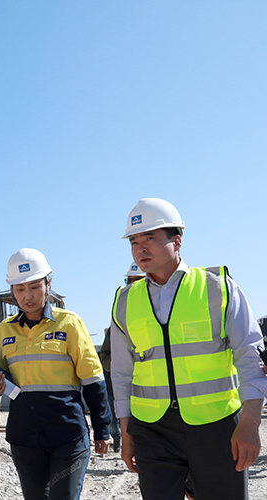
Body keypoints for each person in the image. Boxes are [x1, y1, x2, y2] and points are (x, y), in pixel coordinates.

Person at [109, 198, 267, 500]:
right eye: (134, 241)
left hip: (217, 426)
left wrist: (250, 422)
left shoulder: (218, 288)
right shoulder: (125, 302)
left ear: (177, 241)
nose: (141, 248)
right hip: (152, 430)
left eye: (150, 238)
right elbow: (121, 373)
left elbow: (249, 355)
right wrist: (126, 430)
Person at [0, 248, 111, 500]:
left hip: (67, 435)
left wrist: (102, 428)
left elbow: (93, 379)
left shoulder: (69, 323)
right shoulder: (5, 330)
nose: (28, 295)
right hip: (24, 438)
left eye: (34, 287)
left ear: (48, 284)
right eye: (20, 289)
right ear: (12, 291)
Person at [98, 263, 146, 453]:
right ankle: (118, 439)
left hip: (149, 393)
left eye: (137, 280)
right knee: (114, 421)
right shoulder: (117, 323)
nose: (131, 285)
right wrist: (121, 363)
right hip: (118, 387)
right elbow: (104, 355)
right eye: (129, 280)